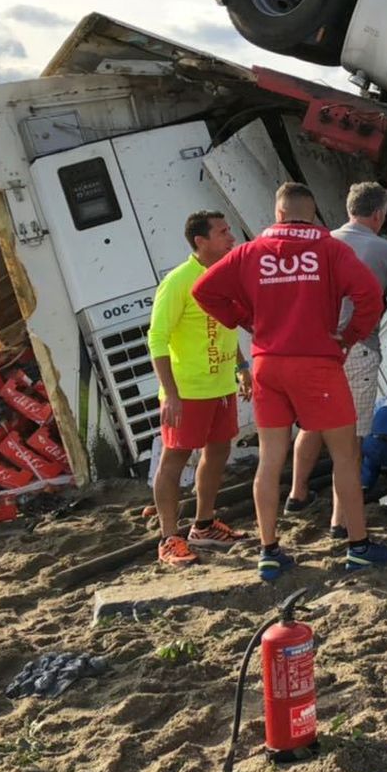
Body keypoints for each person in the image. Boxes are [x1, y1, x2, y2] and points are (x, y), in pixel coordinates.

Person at [193, 182, 387, 580]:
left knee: (271, 457)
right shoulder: (328, 248)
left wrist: (244, 319)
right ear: (312, 215)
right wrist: (349, 335)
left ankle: (269, 551)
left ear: (277, 213)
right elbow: (369, 297)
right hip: (316, 362)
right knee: (345, 454)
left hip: (267, 364)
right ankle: (358, 546)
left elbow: (203, 290)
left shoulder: (250, 251)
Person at [286, 181, 387, 532]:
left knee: (314, 423)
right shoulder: (385, 251)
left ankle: (297, 492)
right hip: (357, 349)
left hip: (313, 348)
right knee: (349, 440)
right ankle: (340, 520)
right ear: (379, 214)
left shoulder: (320, 243)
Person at [147, 210, 252, 567]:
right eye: (223, 233)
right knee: (175, 458)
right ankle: (168, 538)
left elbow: (226, 324)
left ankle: (204, 525)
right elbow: (157, 338)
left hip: (220, 385)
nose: (231, 238)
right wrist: (170, 393)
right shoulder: (178, 281)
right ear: (200, 241)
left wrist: (241, 366)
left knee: (220, 450)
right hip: (187, 390)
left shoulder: (225, 275)